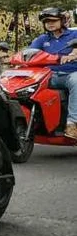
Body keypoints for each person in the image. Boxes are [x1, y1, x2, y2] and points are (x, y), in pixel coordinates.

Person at [29, 8, 77, 140]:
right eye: (47, 21)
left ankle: (72, 124)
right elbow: (29, 52)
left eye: (54, 21)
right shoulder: (41, 39)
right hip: (48, 75)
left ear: (62, 21)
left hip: (70, 73)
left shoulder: (74, 35)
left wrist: (73, 54)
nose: (50, 24)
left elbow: (76, 48)